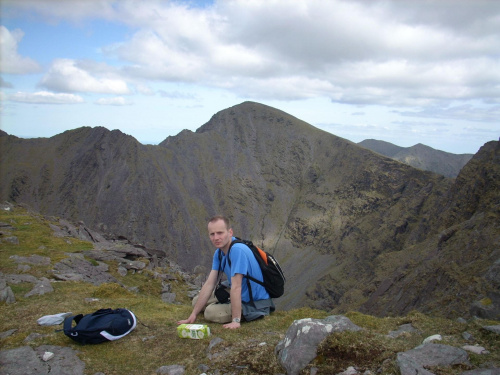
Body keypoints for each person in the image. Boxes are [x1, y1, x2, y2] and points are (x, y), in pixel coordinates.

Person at [177, 215, 275, 329]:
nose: (216, 238)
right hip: (239, 292)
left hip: (255, 302)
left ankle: (238, 312)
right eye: (212, 234)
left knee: (210, 312)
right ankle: (225, 305)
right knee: (196, 302)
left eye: (220, 233)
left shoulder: (237, 250)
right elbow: (210, 283)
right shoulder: (219, 253)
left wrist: (235, 320)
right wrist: (193, 315)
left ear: (230, 232)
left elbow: (236, 287)